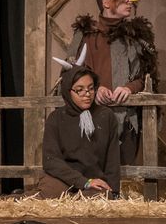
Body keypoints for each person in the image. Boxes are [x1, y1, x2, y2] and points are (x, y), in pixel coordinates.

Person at [68, 0, 157, 164]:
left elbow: (146, 76)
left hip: (127, 121)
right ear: (106, 3)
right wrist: (94, 89)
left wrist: (129, 88)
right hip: (92, 118)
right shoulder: (86, 36)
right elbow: (70, 74)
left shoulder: (135, 37)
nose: (129, 1)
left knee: (124, 178)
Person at [38, 65, 121, 198]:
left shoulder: (106, 116)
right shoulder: (56, 118)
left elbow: (113, 160)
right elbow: (51, 161)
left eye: (91, 88)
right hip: (63, 179)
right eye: (79, 90)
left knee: (96, 202)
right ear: (68, 91)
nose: (87, 94)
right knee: (51, 195)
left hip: (95, 182)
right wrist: (83, 182)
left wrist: (114, 192)